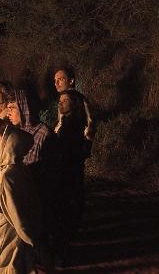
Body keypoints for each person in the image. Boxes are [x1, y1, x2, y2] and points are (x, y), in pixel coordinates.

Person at [9, 88, 57, 267]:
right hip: (24, 194)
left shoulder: (44, 134)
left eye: (13, 108)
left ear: (25, 108)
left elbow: (51, 170)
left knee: (39, 236)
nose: (9, 113)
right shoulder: (17, 134)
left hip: (39, 194)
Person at [0, 124, 41, 274]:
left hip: (7, 248)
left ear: (8, 145)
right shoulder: (20, 170)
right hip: (13, 244)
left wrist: (36, 246)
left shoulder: (6, 178)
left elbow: (19, 220)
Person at [53, 90, 90, 261]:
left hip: (68, 173)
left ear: (74, 104)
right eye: (60, 100)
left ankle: (63, 252)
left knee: (65, 210)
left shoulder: (74, 125)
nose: (60, 103)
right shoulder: (63, 121)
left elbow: (72, 151)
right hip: (62, 171)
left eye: (65, 101)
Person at [53, 68, 94, 141]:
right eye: (55, 81)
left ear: (71, 81)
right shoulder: (81, 97)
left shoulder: (75, 97)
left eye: (60, 80)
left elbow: (89, 119)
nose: (56, 83)